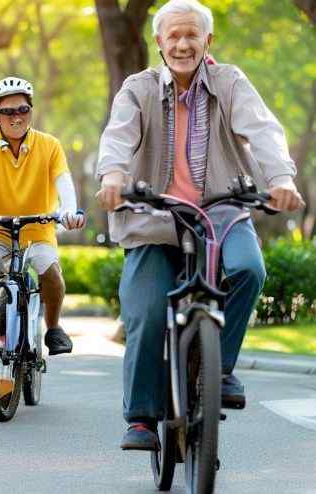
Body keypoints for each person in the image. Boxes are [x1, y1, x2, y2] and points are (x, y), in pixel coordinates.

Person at [95, 0, 304, 451]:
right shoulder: (139, 88)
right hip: (154, 215)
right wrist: (113, 174)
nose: (183, 44)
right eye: (174, 36)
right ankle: (142, 418)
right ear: (159, 43)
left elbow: (263, 129)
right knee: (147, 312)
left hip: (222, 209)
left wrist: (282, 177)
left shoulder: (230, 82)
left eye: (192, 35)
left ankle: (218, 367)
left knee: (250, 269)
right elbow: (119, 134)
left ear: (208, 40)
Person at [0, 77, 86, 363]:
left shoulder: (49, 145)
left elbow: (64, 182)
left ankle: (53, 328)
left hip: (38, 230)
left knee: (50, 273)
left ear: (31, 111)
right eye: (8, 111)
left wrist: (70, 210)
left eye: (23, 110)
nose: (16, 117)